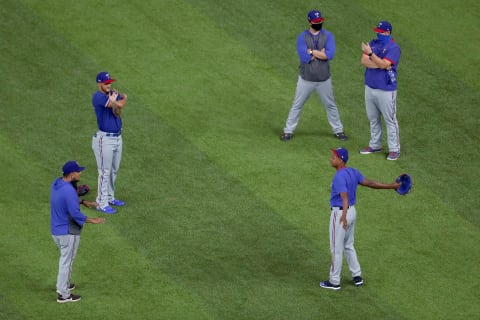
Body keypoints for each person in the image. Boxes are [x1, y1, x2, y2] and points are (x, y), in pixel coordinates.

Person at [319, 147, 400, 290]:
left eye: (334, 157)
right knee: (348, 244)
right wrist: (391, 186)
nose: (331, 158)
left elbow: (344, 197)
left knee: (336, 249)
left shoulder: (338, 176)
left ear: (341, 160)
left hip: (341, 214)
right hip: (352, 212)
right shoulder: (353, 172)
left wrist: (343, 217)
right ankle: (357, 276)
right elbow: (371, 184)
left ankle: (334, 281)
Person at [280, 9, 347, 142]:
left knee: (331, 105)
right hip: (306, 79)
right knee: (297, 105)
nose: (319, 23)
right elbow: (305, 58)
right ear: (310, 22)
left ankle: (338, 130)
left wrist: (311, 51)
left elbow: (329, 55)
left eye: (320, 21)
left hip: (324, 79)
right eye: (316, 22)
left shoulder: (328, 36)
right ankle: (288, 131)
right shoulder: (302, 37)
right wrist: (319, 53)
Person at [51, 161, 105, 303]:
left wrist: (82, 202)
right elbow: (75, 213)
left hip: (56, 230)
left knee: (65, 260)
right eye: (78, 172)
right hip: (68, 232)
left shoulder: (57, 183)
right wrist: (93, 220)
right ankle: (63, 294)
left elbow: (66, 200)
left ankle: (64, 285)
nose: (80, 173)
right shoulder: (69, 190)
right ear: (72, 174)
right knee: (66, 262)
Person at [360, 21, 401, 160]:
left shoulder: (393, 48)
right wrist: (379, 62)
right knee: (373, 118)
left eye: (380, 31)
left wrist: (371, 54)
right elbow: (364, 61)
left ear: (387, 32)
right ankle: (375, 145)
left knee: (390, 120)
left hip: (386, 89)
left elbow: (384, 65)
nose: (377, 33)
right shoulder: (373, 42)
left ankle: (394, 149)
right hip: (370, 87)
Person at [92, 71, 128, 214]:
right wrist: (117, 100)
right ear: (99, 84)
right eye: (106, 83)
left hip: (118, 138)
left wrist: (120, 99)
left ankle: (109, 197)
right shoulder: (98, 97)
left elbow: (120, 105)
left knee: (114, 169)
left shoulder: (111, 94)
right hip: (104, 140)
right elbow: (118, 102)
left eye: (110, 82)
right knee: (104, 172)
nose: (109, 85)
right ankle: (101, 202)